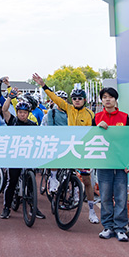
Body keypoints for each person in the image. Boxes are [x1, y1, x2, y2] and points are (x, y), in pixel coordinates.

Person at [32, 73, 98, 224]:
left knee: (87, 181)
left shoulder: (90, 114)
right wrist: (43, 85)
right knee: (55, 154)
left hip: (82, 150)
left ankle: (92, 211)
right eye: (74, 98)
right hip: (69, 146)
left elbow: (95, 131)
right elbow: (55, 98)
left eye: (79, 98)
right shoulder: (68, 108)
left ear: (84, 100)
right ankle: (54, 178)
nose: (76, 100)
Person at [94, 87, 129, 242]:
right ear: (101, 100)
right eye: (104, 97)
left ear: (116, 100)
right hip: (104, 162)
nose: (107, 99)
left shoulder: (125, 117)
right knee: (105, 196)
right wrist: (98, 129)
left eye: (110, 97)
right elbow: (90, 140)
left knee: (121, 196)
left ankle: (120, 228)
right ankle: (108, 226)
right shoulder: (97, 118)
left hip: (121, 164)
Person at [0, 93, 45, 220]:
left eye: (25, 113)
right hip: (14, 157)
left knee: (31, 183)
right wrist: (9, 97)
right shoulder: (12, 121)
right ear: (17, 112)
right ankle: (6, 208)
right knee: (12, 182)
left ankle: (33, 208)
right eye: (20, 112)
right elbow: (4, 110)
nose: (22, 115)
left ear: (28, 113)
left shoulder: (33, 125)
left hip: (28, 156)